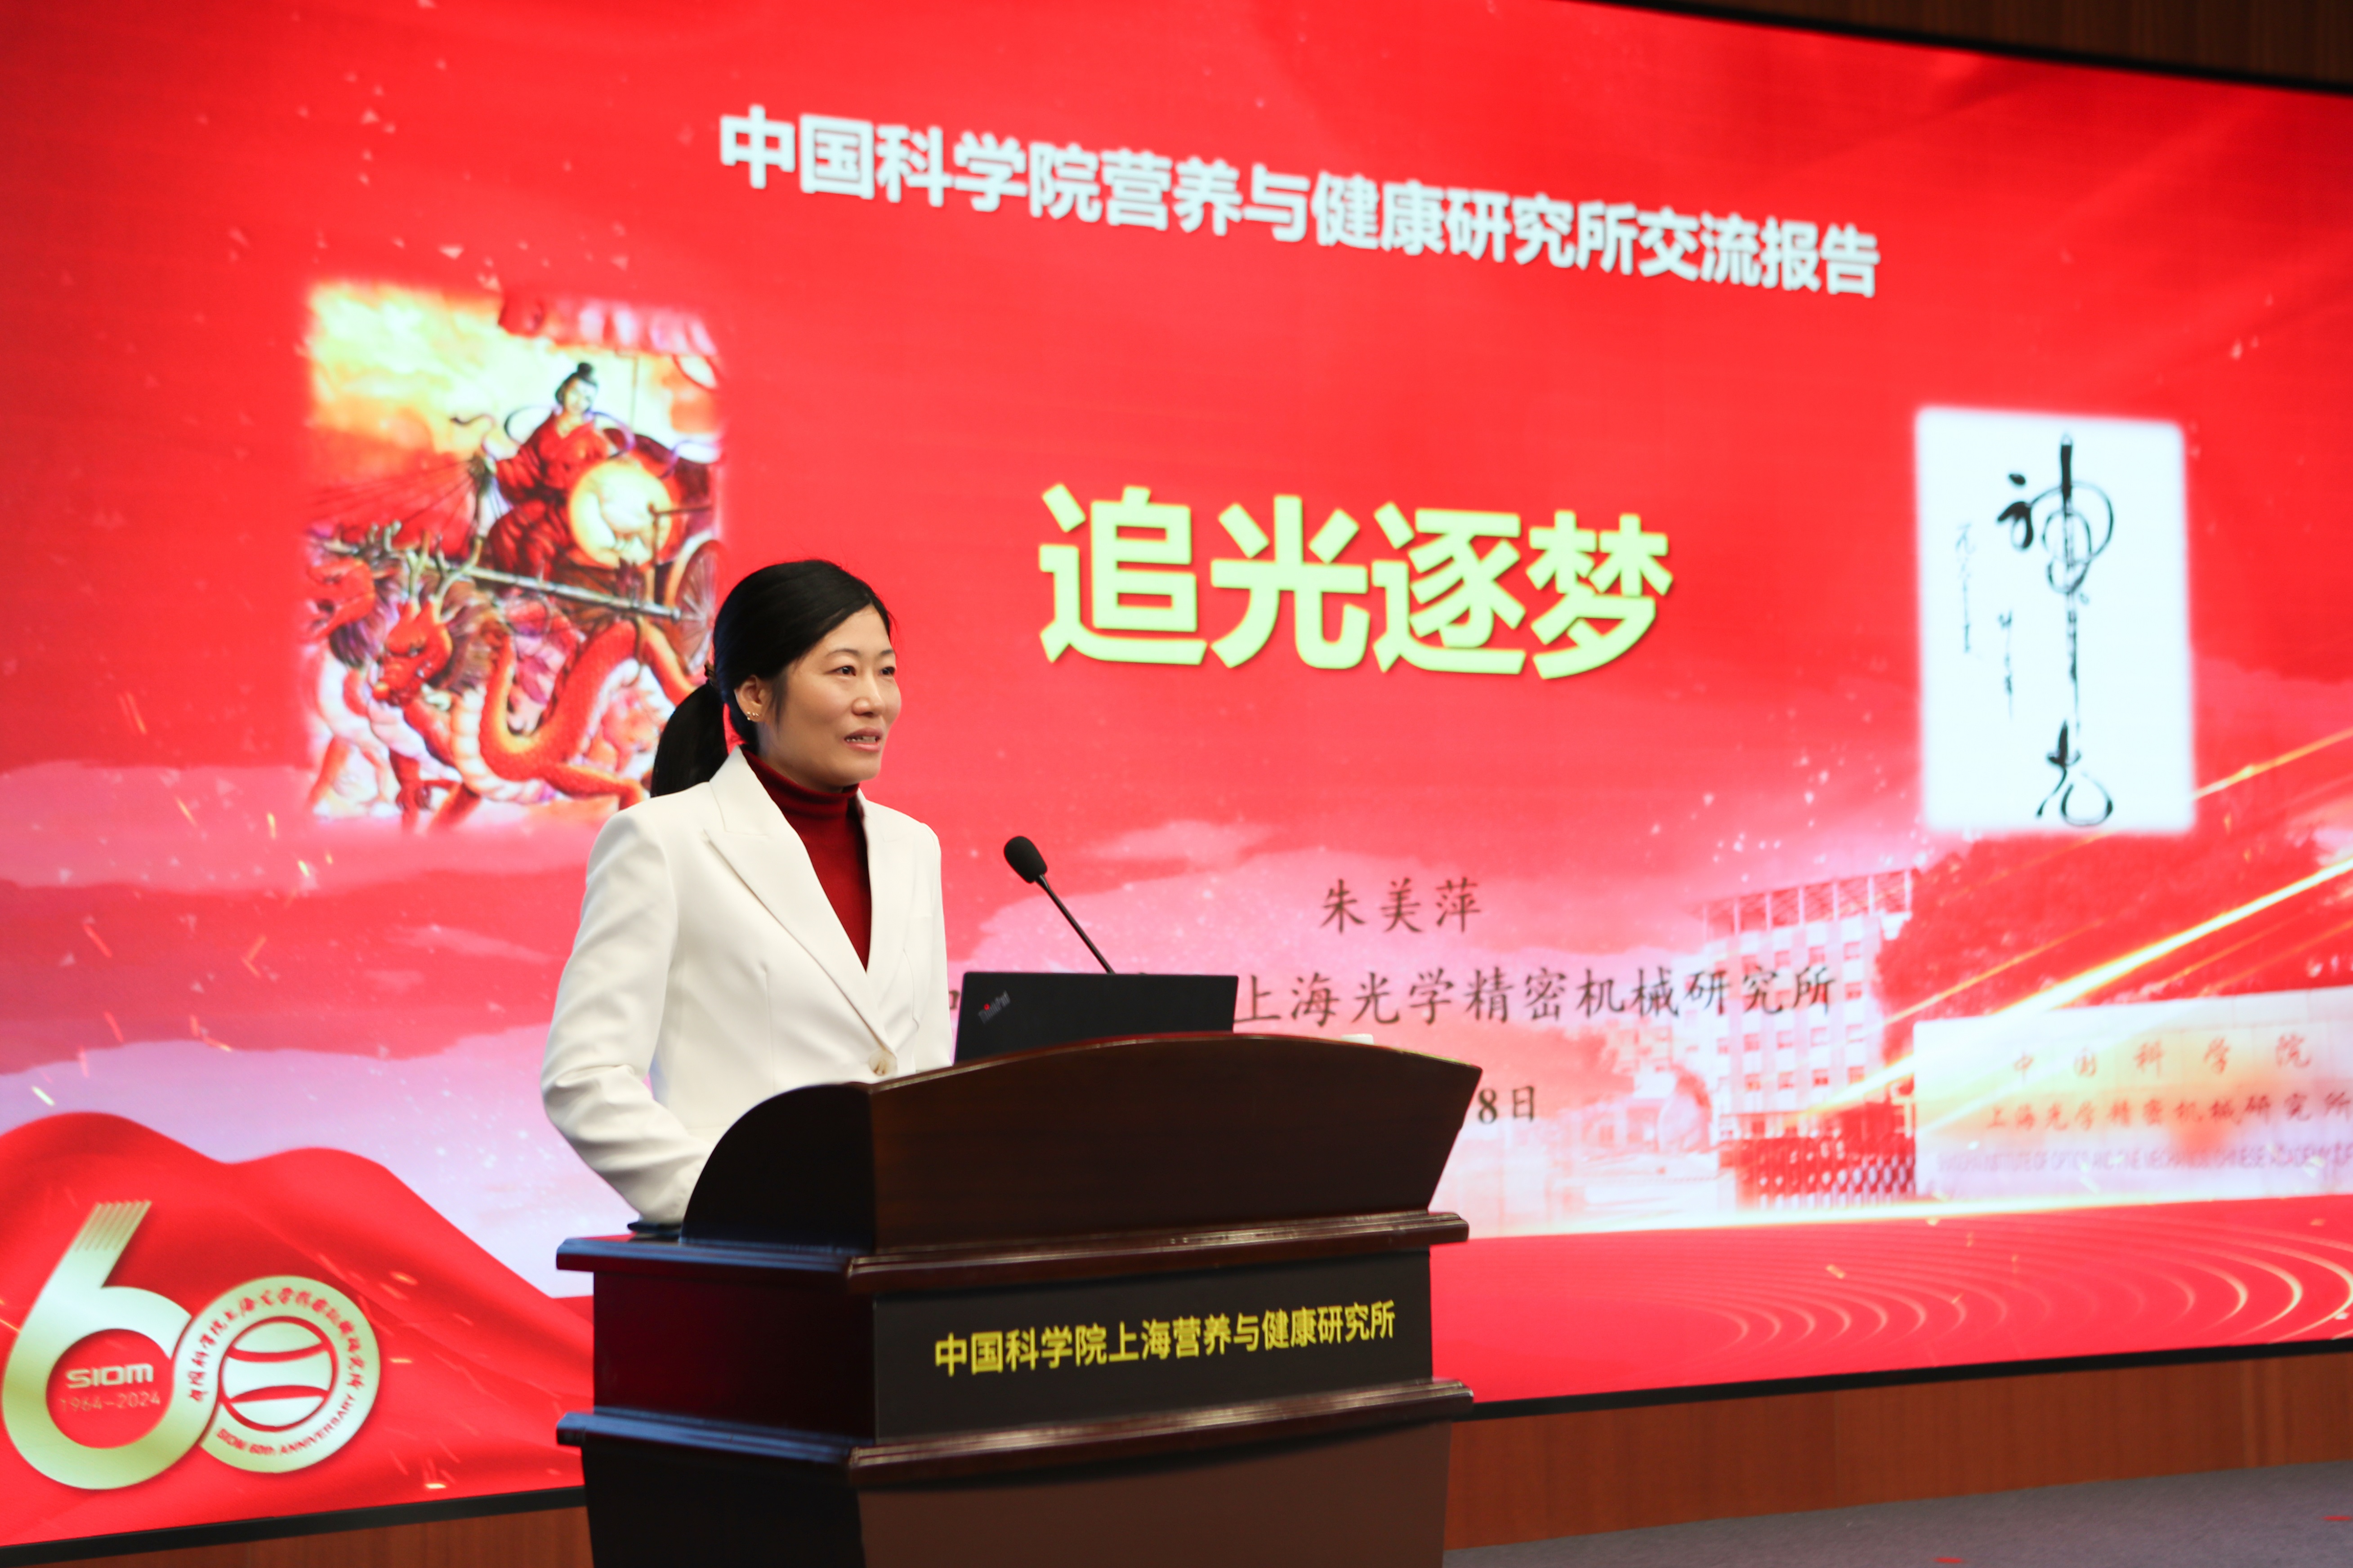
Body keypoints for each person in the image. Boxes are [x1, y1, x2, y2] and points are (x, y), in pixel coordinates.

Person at [540, 561, 949, 1225]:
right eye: (845, 671)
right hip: (749, 1245)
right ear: (755, 695)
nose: (875, 699)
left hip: (897, 1241)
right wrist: (728, 1198)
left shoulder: (914, 847)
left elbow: (925, 1069)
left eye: (887, 671)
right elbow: (583, 1077)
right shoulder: (662, 841)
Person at [483, 362, 617, 581]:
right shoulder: (546, 429)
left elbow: (601, 479)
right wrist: (499, 467)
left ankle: (535, 593)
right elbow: (527, 462)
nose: (579, 401)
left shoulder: (595, 440)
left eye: (587, 398)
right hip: (543, 501)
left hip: (570, 510)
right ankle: (509, 586)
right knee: (504, 529)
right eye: (575, 392)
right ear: (564, 390)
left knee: (538, 542)